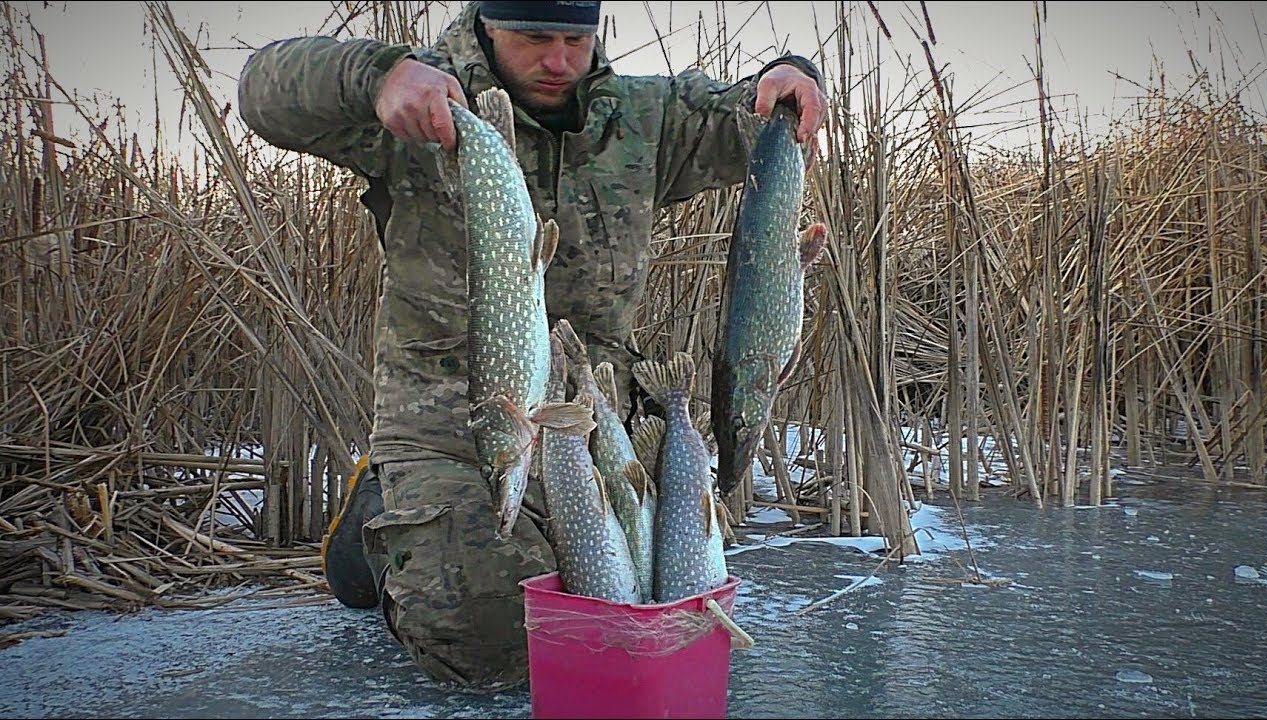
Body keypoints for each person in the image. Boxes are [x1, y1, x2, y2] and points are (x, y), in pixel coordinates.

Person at [237, 0, 826, 693]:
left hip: (596, 410)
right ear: (488, 25)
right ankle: (380, 524)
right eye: (535, 38)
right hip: (458, 422)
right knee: (488, 640)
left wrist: (794, 78)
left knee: (647, 598)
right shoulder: (419, 105)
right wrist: (377, 76)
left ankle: (476, 528)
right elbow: (261, 91)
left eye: (576, 40)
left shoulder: (643, 116)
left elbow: (757, 113)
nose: (559, 62)